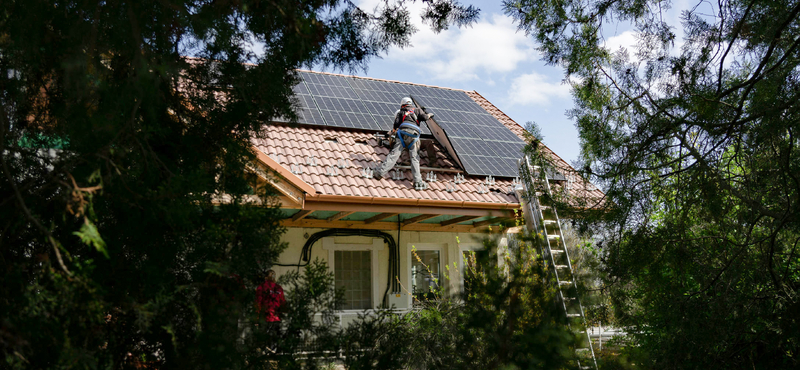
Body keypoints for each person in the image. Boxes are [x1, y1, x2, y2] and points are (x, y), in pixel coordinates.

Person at [373, 97, 433, 188]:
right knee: (415, 159)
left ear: (402, 104)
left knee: (394, 155)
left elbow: (396, 124)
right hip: (414, 135)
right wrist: (429, 115)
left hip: (402, 133)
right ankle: (418, 182)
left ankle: (379, 173)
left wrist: (393, 131)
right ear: (410, 103)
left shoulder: (401, 112)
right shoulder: (417, 110)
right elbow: (424, 118)